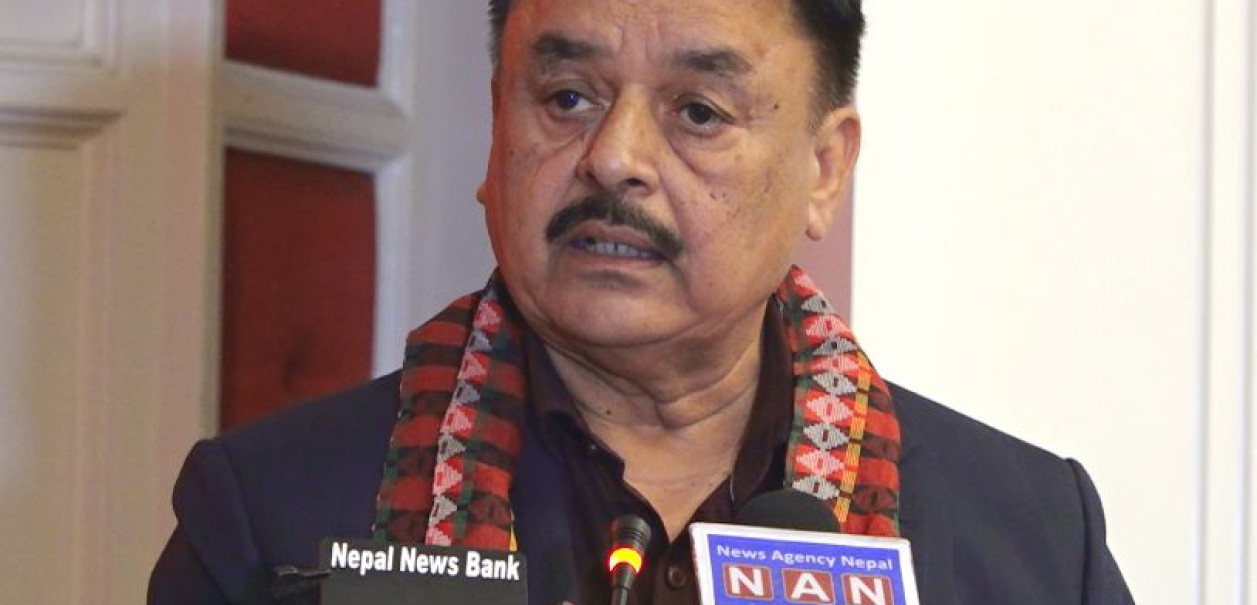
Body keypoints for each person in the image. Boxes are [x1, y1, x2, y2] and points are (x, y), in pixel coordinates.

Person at [149, 1, 1135, 603]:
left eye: (697, 111)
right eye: (567, 97)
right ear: (496, 127)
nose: (614, 157)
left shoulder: (1037, 539)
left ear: (824, 168)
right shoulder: (269, 511)